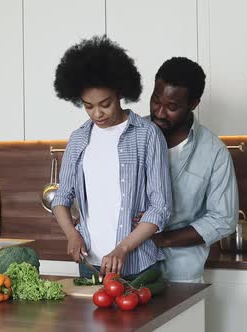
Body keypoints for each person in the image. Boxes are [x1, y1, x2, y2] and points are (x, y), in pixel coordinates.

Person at [51, 36, 172, 279]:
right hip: (90, 265)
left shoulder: (147, 135)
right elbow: (61, 197)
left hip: (137, 264)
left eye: (105, 104)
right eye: (88, 106)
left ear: (119, 92)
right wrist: (71, 234)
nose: (97, 113)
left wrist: (122, 249)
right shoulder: (78, 139)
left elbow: (161, 207)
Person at [145, 57, 239, 283]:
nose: (159, 112)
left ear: (194, 103)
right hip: (126, 268)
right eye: (155, 101)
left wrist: (160, 239)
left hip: (180, 275)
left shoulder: (214, 152)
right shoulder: (130, 136)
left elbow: (223, 219)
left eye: (172, 107)